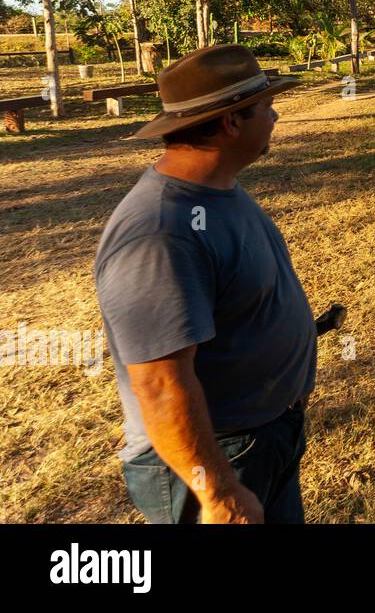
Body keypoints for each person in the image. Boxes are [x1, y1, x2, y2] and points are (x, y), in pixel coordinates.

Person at [94, 44, 316, 523]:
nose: (275, 116)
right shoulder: (159, 231)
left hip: (259, 441)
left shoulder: (217, 190)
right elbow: (158, 381)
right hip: (213, 458)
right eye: (266, 107)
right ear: (232, 121)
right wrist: (217, 492)